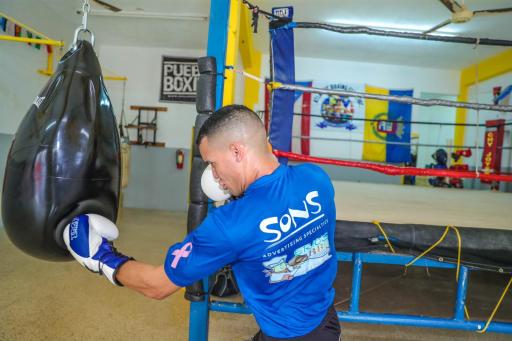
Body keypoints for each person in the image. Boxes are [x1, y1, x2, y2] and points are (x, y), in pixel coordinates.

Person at [64, 104, 341, 340]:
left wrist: (100, 257)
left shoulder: (228, 226)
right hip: (327, 324)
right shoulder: (316, 179)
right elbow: (275, 205)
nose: (212, 175)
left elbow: (156, 284)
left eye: (212, 162)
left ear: (236, 152)